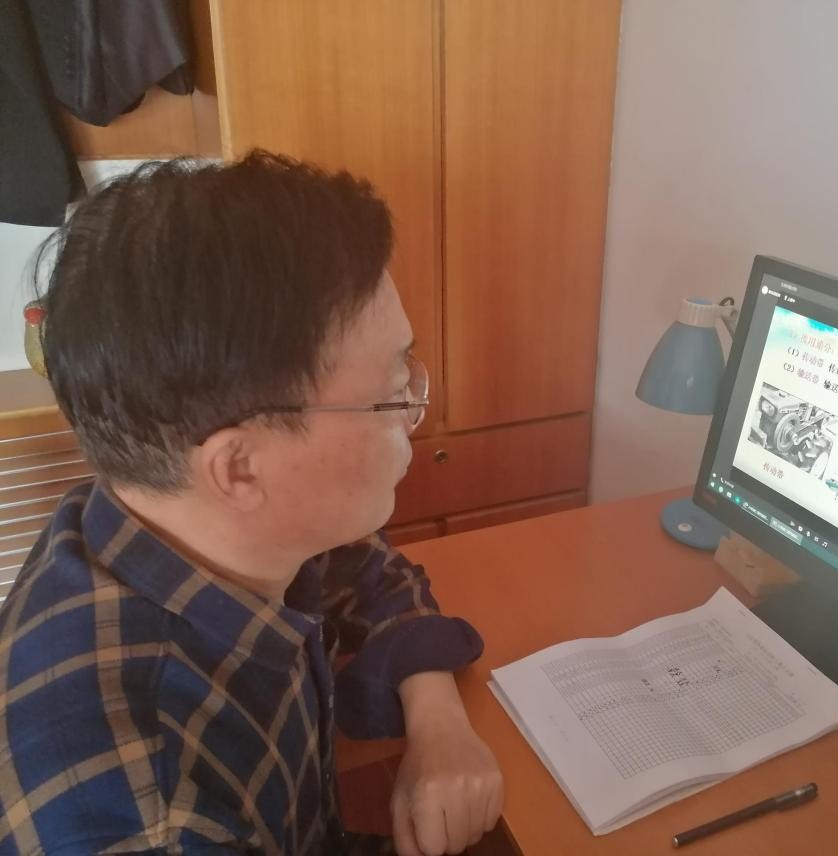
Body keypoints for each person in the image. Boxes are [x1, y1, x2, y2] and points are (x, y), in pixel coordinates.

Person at [0, 153, 503, 855]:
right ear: (239, 467)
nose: (415, 413)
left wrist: (437, 718)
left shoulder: (165, 516)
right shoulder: (150, 820)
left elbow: (367, 570)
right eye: (391, 395)